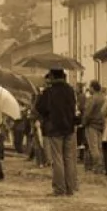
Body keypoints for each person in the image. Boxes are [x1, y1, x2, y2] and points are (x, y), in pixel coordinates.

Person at [36, 68, 78, 196]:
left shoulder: (49, 91)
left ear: (53, 76)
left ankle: (59, 188)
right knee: (69, 158)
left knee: (57, 158)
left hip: (55, 128)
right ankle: (70, 188)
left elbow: (40, 107)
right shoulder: (70, 90)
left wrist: (43, 93)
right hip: (69, 127)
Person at [83, 80, 107, 173]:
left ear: (93, 88)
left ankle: (98, 166)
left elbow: (88, 113)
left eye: (90, 87)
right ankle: (102, 165)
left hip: (92, 125)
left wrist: (84, 122)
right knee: (100, 146)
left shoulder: (92, 99)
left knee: (93, 147)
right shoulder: (104, 98)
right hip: (102, 125)